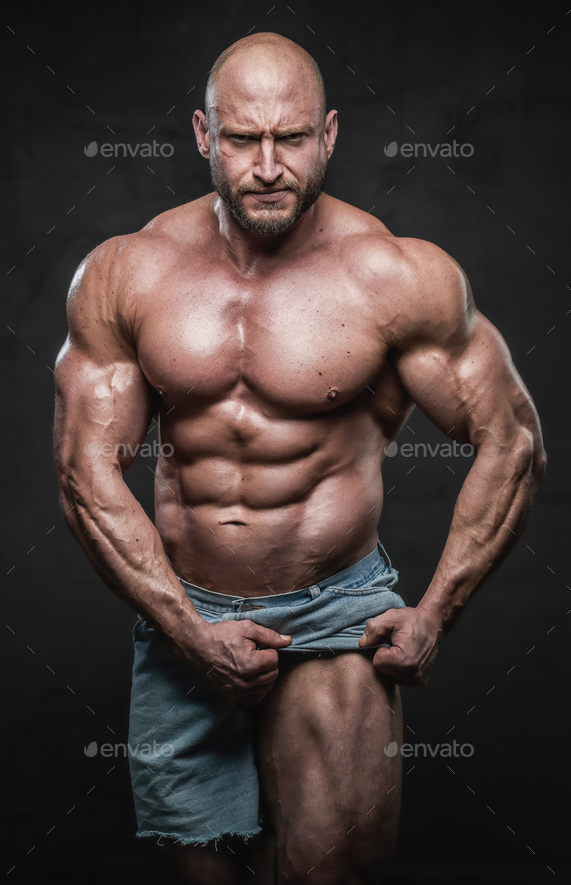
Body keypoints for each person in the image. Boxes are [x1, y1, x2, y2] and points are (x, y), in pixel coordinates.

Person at [53, 31, 546, 885]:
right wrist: (184, 628)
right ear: (205, 138)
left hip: (334, 613)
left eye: (292, 138)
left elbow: (515, 440)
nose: (269, 165)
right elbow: (84, 474)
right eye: (244, 139)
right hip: (184, 611)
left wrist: (434, 613)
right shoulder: (128, 275)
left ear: (329, 136)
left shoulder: (395, 278)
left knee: (322, 873)